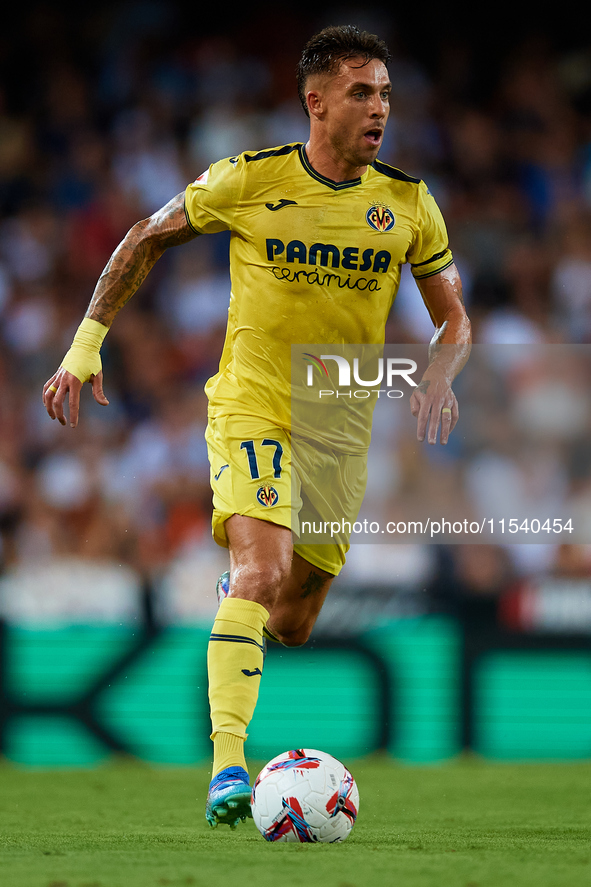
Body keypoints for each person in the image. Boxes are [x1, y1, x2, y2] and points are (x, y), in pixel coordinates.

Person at [43, 25, 471, 829]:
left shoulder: (407, 202)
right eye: (360, 92)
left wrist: (442, 369)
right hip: (254, 405)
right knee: (261, 575)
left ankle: (240, 592)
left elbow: (454, 320)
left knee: (294, 621)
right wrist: (85, 346)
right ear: (315, 102)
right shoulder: (248, 180)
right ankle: (227, 767)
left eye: (384, 92)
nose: (379, 107)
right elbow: (146, 236)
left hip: (340, 433)